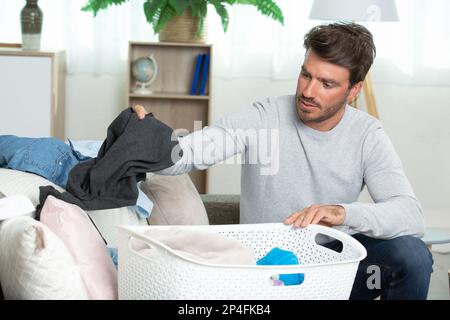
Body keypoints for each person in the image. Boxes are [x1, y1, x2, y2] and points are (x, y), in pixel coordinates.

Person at [132, 22, 433, 300]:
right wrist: (148, 137)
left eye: (326, 84)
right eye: (306, 75)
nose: (308, 91)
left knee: (412, 254)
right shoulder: (264, 117)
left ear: (354, 90)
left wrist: (343, 213)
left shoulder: (367, 134)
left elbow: (410, 215)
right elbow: (191, 153)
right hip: (268, 275)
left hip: (336, 274)